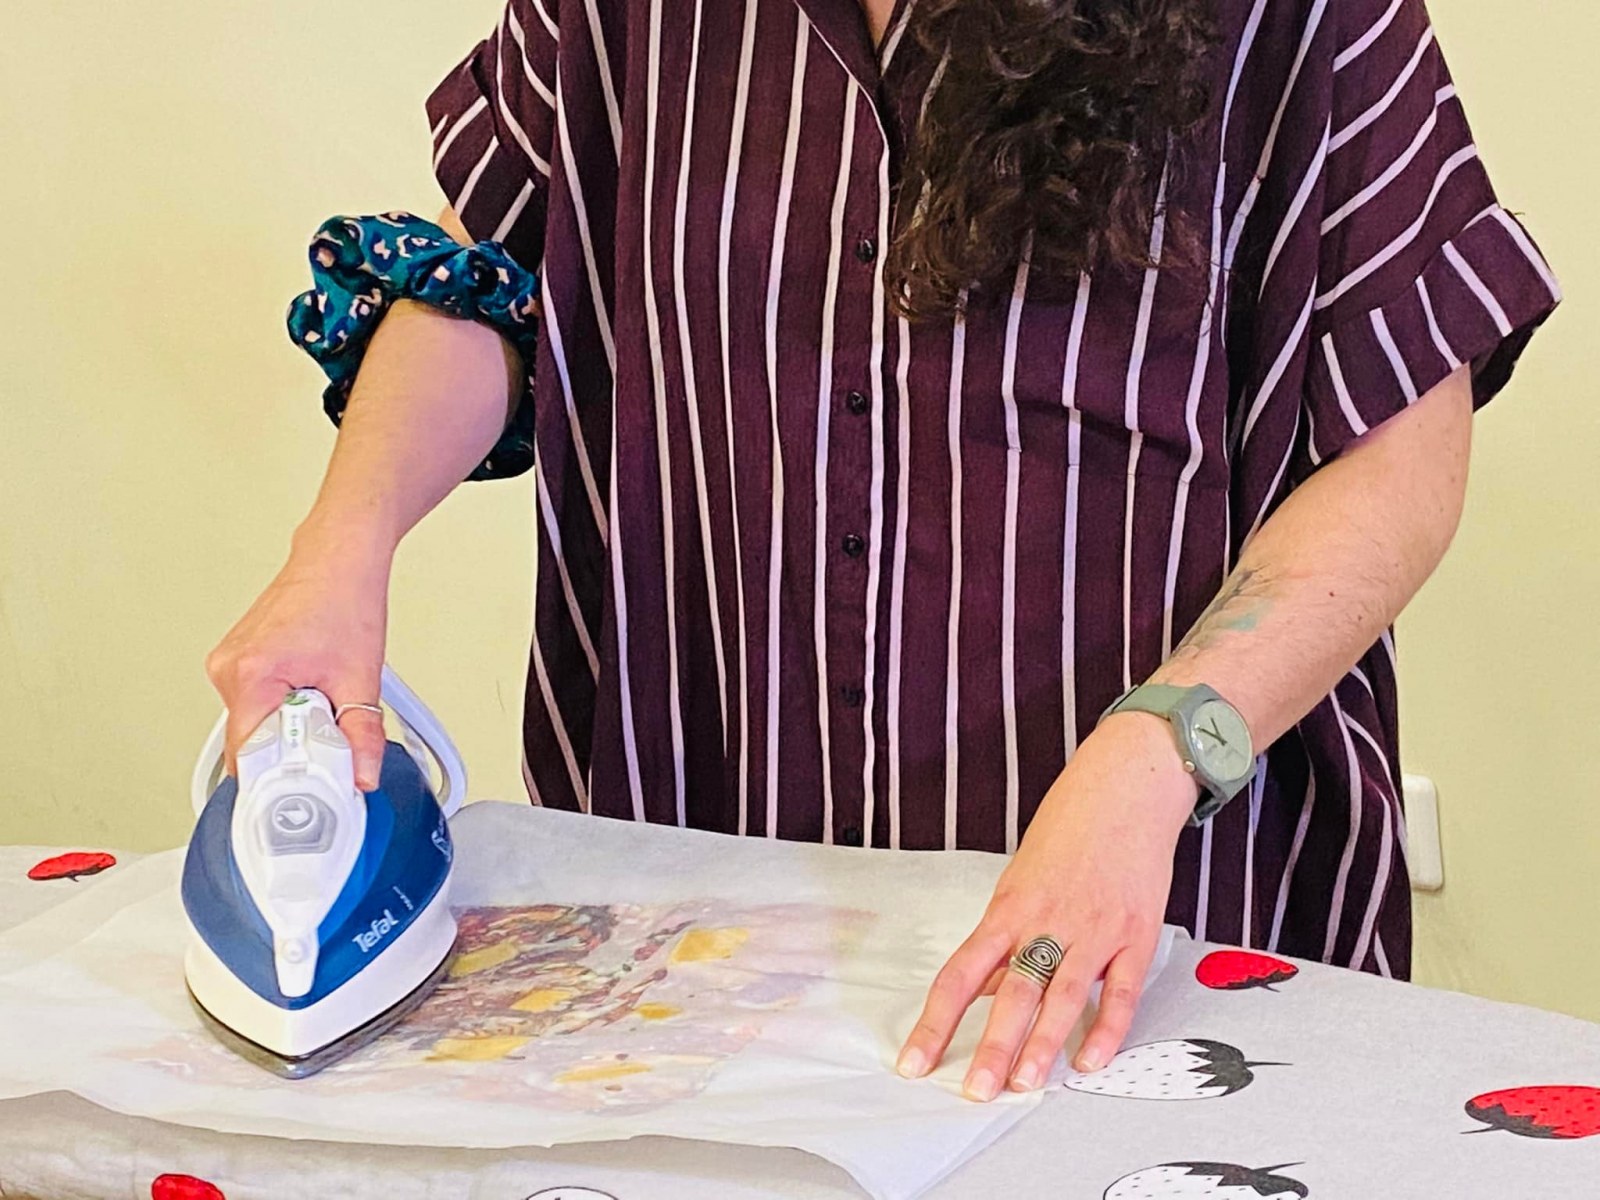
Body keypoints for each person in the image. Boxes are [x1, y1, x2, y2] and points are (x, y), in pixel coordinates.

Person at [207, 0, 1560, 1102]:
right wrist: (341, 548)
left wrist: (1157, 759)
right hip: (708, 944)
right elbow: (491, 288)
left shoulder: (1299, 18)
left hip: (1166, 937)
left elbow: (1401, 461)